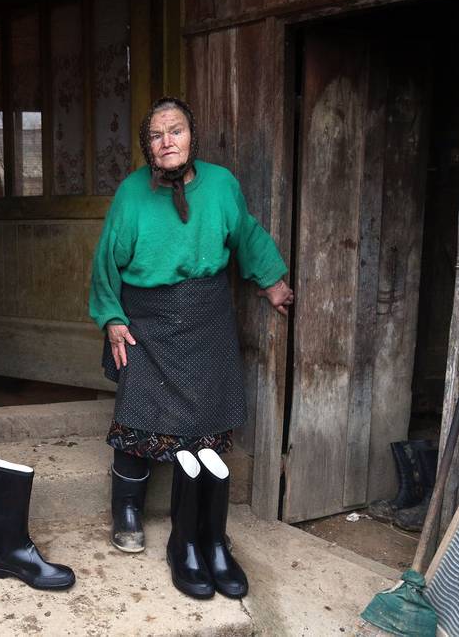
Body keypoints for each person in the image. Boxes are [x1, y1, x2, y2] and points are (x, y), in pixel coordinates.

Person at [88, 97, 293, 599]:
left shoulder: (222, 184)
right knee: (136, 411)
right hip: (147, 319)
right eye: (157, 135)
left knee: (207, 421)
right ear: (147, 146)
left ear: (190, 136)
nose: (167, 141)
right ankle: (128, 512)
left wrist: (271, 280)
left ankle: (202, 533)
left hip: (206, 314)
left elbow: (245, 233)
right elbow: (104, 262)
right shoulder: (132, 193)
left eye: (175, 131)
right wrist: (112, 318)